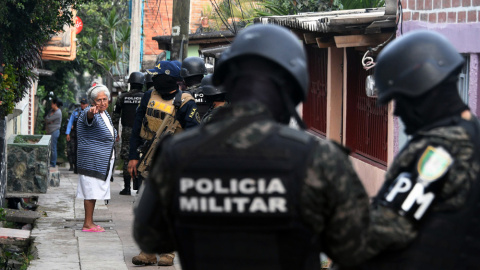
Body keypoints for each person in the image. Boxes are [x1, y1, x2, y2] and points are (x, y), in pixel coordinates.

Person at [133, 24, 372, 270]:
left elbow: (149, 236)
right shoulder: (319, 159)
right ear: (293, 86)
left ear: (226, 81)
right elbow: (355, 248)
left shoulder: (179, 153)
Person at [353, 30, 480, 269]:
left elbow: (379, 236)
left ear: (423, 93)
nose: (397, 112)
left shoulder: (439, 152)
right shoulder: (473, 135)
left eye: (401, 100)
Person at [128, 60, 201, 266]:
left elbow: (195, 135)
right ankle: (148, 252)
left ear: (169, 78)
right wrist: (133, 156)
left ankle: (168, 252)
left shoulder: (186, 102)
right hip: (149, 159)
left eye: (159, 76)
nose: (155, 79)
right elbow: (136, 128)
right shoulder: (148, 96)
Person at [76, 85, 117, 233]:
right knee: (90, 191)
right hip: (91, 161)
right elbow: (89, 116)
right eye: (98, 100)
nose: (102, 103)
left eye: (104, 99)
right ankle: (88, 224)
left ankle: (90, 222)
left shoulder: (105, 114)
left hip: (101, 161)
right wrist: (91, 111)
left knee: (93, 192)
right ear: (93, 102)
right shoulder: (89, 112)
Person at [112, 71, 145, 195]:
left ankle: (126, 188)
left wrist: (115, 132)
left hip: (127, 131)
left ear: (130, 83)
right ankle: (140, 187)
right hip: (142, 132)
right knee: (141, 157)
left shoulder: (122, 97)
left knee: (127, 157)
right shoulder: (146, 97)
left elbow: (115, 117)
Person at [65, 98, 89, 173]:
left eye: (84, 104)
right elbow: (70, 122)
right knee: (74, 150)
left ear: (87, 104)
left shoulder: (90, 111)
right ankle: (75, 167)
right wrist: (68, 133)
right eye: (81, 103)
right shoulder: (76, 112)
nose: (82, 105)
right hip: (75, 133)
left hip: (85, 134)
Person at [45, 98, 63, 168]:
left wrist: (50, 120)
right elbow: (46, 119)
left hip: (54, 132)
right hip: (49, 131)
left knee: (53, 148)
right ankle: (50, 161)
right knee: (49, 148)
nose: (51, 105)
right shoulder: (51, 111)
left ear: (55, 104)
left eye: (52, 103)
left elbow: (48, 119)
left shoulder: (58, 112)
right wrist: (49, 120)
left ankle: (53, 163)